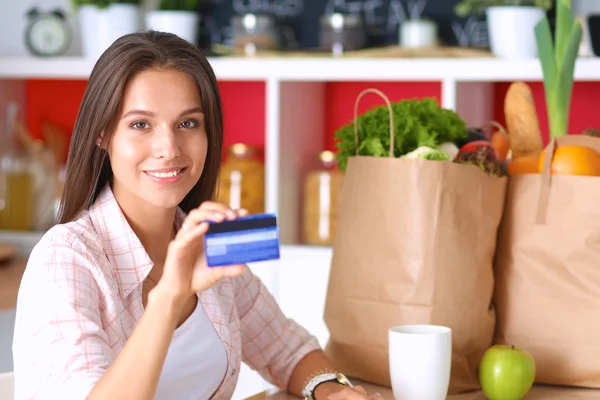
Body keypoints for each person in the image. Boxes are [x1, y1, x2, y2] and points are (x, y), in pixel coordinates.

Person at [11, 31, 385, 400]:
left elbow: (288, 351)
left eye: (188, 123)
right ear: (103, 133)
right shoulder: (66, 259)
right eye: (141, 124)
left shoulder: (206, 240)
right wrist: (170, 295)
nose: (169, 148)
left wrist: (330, 390)